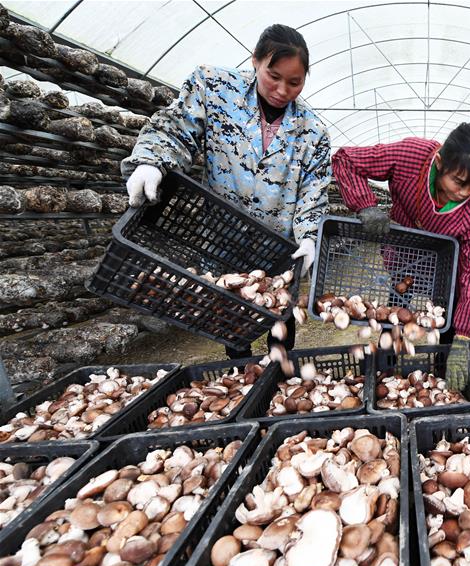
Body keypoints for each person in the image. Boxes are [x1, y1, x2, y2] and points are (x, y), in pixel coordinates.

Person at [121, 24, 331, 358]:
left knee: (279, 317)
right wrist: (151, 161)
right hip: (223, 240)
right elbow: (176, 129)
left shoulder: (312, 132)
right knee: (231, 320)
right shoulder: (214, 88)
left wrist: (309, 236)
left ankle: (279, 372)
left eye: (295, 82)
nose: (281, 90)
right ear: (255, 61)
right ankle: (242, 371)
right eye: (273, 76)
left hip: (278, 247)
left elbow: (313, 191)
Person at [332, 123, 470, 391]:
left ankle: (445, 376)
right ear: (440, 163)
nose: (465, 192)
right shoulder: (411, 157)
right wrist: (365, 205)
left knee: (448, 316)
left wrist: (464, 335)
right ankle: (386, 372)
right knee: (396, 309)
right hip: (403, 254)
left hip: (444, 265)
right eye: (459, 182)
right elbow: (346, 159)